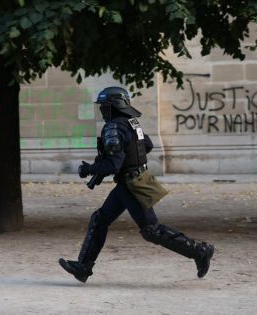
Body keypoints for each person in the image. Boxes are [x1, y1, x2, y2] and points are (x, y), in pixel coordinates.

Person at [59, 86, 214, 283]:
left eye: (105, 106)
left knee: (152, 231)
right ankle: (83, 267)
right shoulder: (132, 122)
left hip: (131, 184)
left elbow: (113, 165)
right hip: (135, 180)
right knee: (100, 219)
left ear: (114, 106)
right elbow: (146, 145)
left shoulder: (114, 127)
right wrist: (131, 160)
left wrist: (89, 169)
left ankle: (200, 251)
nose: (102, 111)